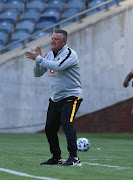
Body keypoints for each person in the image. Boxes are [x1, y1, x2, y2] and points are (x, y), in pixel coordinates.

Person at [25, 29, 83, 166]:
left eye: (56, 39)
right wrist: (38, 61)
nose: (52, 41)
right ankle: (56, 157)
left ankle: (74, 158)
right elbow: (37, 73)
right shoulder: (50, 55)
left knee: (66, 122)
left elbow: (58, 67)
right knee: (50, 128)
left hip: (71, 95)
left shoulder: (70, 54)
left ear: (64, 42)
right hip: (56, 98)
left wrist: (39, 58)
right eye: (52, 38)